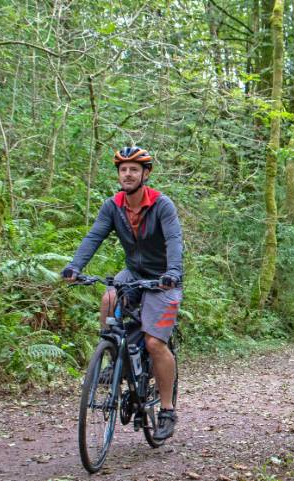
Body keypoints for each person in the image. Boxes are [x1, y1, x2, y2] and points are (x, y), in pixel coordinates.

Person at [61, 146, 183, 441]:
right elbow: (94, 236)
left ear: (146, 174)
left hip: (164, 278)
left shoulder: (162, 205)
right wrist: (74, 266)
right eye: (123, 169)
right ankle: (114, 356)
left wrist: (173, 273)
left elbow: (174, 240)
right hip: (133, 272)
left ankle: (167, 410)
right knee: (109, 297)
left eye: (133, 169)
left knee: (154, 342)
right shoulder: (113, 206)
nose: (127, 174)